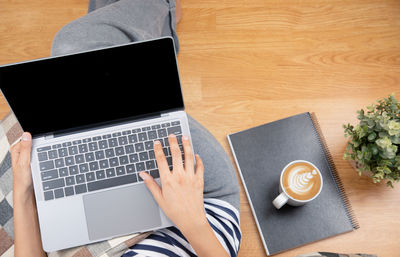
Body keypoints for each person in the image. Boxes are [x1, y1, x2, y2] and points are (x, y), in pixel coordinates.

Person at [11, 0, 241, 256]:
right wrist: (191, 219)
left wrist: (23, 192)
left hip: (128, 240)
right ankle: (162, 8)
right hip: (202, 209)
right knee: (78, 46)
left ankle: (151, 17)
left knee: (85, 55)